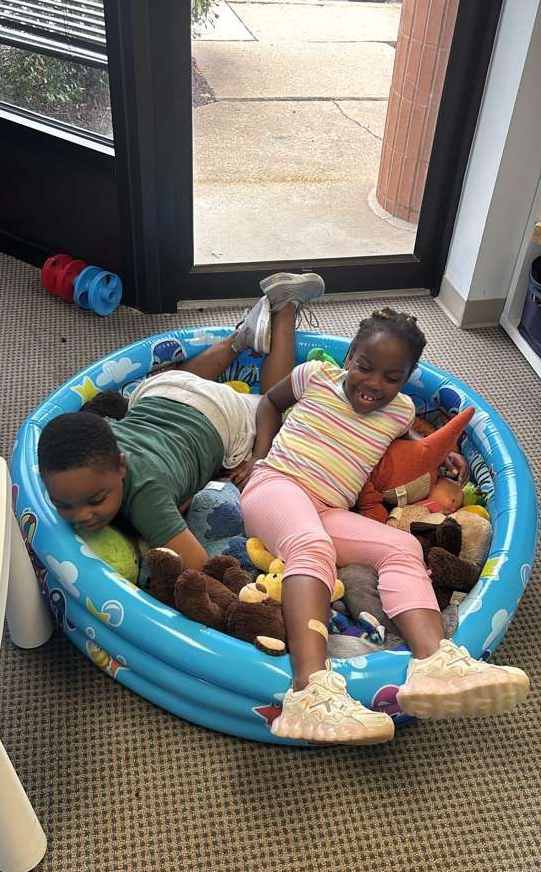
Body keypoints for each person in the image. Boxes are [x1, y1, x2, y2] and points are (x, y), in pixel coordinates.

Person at [240, 307, 530, 745]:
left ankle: (434, 662)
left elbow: (409, 441)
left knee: (402, 546)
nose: (374, 384)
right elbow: (269, 402)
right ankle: (309, 692)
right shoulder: (315, 376)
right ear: (349, 357)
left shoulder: (401, 411)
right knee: (312, 546)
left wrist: (439, 454)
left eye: (392, 378)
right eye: (364, 367)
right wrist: (259, 456)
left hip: (327, 508)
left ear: (407, 379)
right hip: (276, 485)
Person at [37, 272, 324, 569]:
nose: (81, 516)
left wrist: (258, 459)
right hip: (162, 390)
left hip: (221, 416)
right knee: (185, 385)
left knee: (272, 403)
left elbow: (198, 564)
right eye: (62, 505)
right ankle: (240, 338)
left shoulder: (146, 499)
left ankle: (285, 308)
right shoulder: (96, 442)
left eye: (96, 500)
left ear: (121, 466)